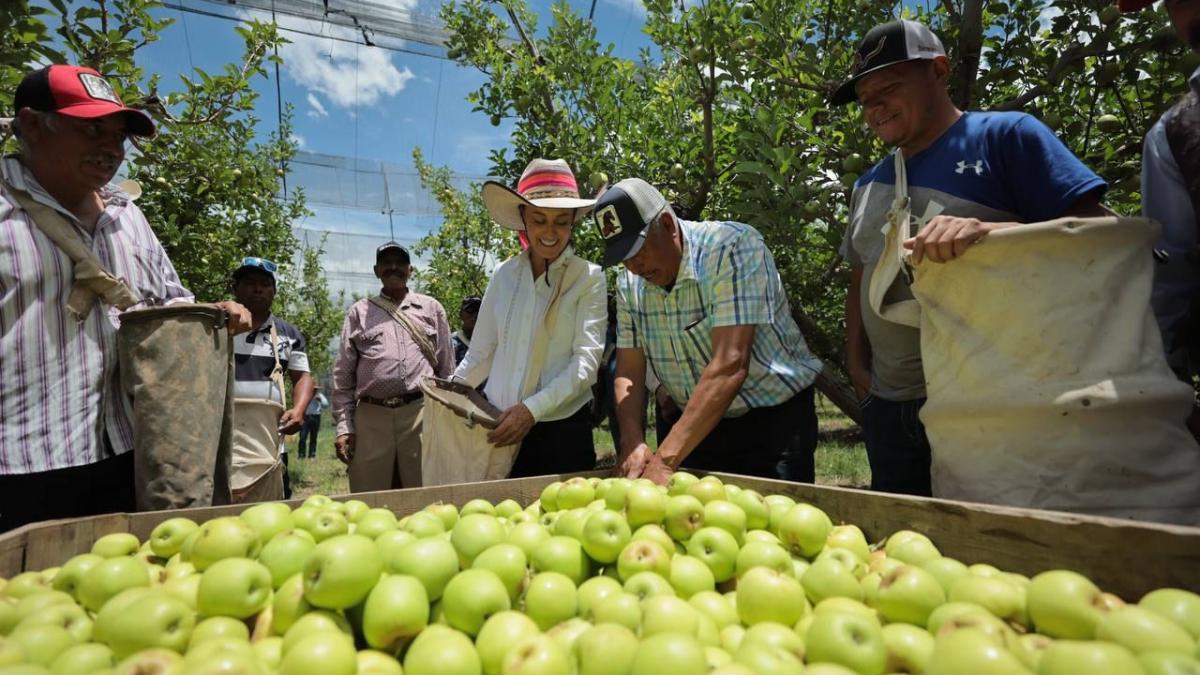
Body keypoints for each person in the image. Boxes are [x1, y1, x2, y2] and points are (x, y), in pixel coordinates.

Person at [832, 20, 1111, 496]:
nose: (874, 107)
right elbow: (863, 274)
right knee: (900, 550)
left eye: (889, 88)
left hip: (987, 400)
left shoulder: (1005, 137)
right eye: (865, 98)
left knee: (992, 547)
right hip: (890, 403)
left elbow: (1105, 236)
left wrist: (993, 233)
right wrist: (858, 368)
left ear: (938, 71)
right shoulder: (867, 185)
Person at [0, 64, 250, 532]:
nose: (110, 149)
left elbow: (168, 301)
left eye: (118, 136)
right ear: (32, 125)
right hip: (22, 465)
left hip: (126, 452)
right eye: (91, 129)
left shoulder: (126, 215)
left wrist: (209, 315)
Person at [598, 178, 825, 486]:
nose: (634, 265)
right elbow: (629, 371)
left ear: (667, 224)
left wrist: (664, 461)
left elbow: (730, 364)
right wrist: (632, 441)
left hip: (769, 424)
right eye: (623, 256)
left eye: (638, 249)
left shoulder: (732, 248)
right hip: (692, 426)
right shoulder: (628, 283)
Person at [453, 159, 607, 476]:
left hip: (562, 433)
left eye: (561, 222)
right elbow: (482, 351)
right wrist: (448, 392)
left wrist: (531, 411)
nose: (550, 232)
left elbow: (586, 364)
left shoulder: (588, 278)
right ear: (523, 218)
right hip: (499, 427)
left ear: (573, 221)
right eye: (539, 219)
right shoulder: (504, 275)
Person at [1122, 0, 1200, 438]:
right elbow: (1170, 288)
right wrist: (1174, 406)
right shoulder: (1174, 138)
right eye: (1176, 2)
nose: (1188, 15)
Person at [332, 242, 453, 491]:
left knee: (426, 492)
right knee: (369, 496)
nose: (393, 267)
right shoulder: (359, 313)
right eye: (387, 263)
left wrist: (447, 421)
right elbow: (343, 377)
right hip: (371, 417)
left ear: (411, 270)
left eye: (400, 263)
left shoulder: (431, 309)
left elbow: (446, 371)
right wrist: (345, 427)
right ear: (377, 270)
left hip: (420, 412)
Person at [229, 257, 314, 501]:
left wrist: (298, 410)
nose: (258, 289)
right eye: (250, 283)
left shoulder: (289, 335)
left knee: (274, 502)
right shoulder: (216, 327)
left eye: (265, 284)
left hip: (268, 437)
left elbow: (303, 377)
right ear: (235, 289)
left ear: (274, 291)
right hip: (223, 436)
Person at [299, 384, 329, 459]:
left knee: (313, 437)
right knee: (303, 437)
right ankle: (301, 455)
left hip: (316, 417)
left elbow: (326, 405)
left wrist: (320, 400)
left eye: (315, 389)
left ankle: (312, 454)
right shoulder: (304, 394)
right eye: (313, 389)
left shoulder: (319, 395)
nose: (314, 390)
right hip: (305, 417)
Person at [452, 296, 482, 365]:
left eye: (479, 311)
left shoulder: (490, 344)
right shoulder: (451, 344)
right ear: (461, 314)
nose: (475, 315)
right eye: (470, 310)